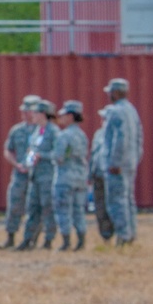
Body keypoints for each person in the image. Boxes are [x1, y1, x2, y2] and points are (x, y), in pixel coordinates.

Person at [102, 77, 144, 246]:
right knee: (128, 200)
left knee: (117, 201)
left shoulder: (116, 111)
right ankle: (130, 232)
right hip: (130, 162)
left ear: (116, 93)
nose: (109, 95)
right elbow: (139, 137)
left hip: (118, 165)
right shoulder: (132, 110)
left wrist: (115, 162)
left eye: (111, 92)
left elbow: (120, 138)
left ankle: (123, 235)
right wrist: (135, 158)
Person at [0, 94, 40, 250]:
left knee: (35, 208)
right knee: (14, 205)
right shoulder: (17, 130)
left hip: (37, 176)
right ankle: (10, 237)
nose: (25, 113)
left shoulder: (43, 131)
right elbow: (8, 151)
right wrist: (16, 164)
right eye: (24, 110)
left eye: (28, 110)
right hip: (20, 175)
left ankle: (32, 239)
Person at [16, 100, 59, 251]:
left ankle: (49, 239)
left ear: (43, 114)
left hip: (48, 176)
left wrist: (44, 156)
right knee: (32, 208)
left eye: (35, 112)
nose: (32, 115)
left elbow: (58, 154)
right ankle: (28, 239)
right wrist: (25, 163)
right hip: (35, 176)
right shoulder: (37, 132)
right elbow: (31, 152)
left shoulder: (53, 132)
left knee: (48, 208)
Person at [49, 101, 89, 251]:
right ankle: (81, 240)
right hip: (80, 178)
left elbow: (59, 157)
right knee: (79, 210)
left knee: (63, 210)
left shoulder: (64, 136)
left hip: (65, 177)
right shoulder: (82, 135)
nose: (61, 118)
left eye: (64, 115)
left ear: (71, 116)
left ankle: (66, 242)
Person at [89, 106, 115, 242]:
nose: (102, 120)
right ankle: (105, 234)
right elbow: (94, 154)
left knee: (112, 205)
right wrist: (90, 173)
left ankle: (116, 232)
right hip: (97, 175)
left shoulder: (114, 134)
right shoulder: (98, 134)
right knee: (100, 206)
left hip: (109, 175)